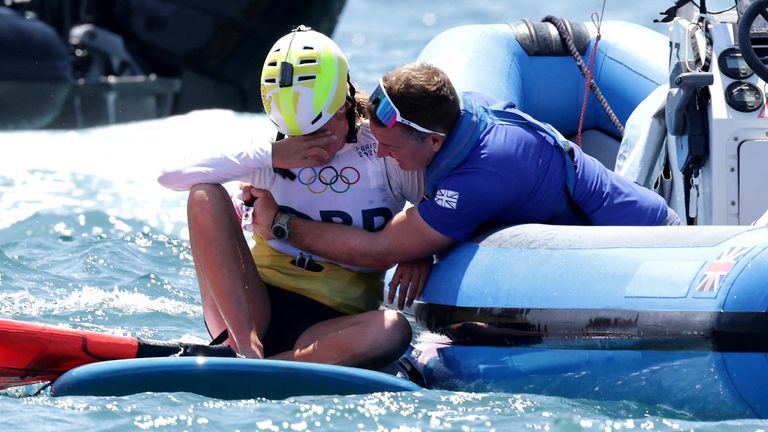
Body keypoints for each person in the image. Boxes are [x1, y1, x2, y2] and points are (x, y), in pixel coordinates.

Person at [158, 27, 428, 369]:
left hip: (334, 324)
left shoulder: (382, 153)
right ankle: (244, 349)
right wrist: (273, 154)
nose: (311, 144)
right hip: (253, 310)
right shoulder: (273, 153)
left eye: (321, 130)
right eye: (300, 134)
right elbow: (169, 175)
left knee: (393, 329)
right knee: (204, 195)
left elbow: (443, 207)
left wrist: (421, 251)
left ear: (344, 104)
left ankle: (261, 368)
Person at [246, 62, 682, 272]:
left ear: (433, 141)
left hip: (653, 249)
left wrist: (281, 224)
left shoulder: (481, 174)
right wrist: (418, 246)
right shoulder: (462, 113)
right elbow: (412, 235)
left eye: (391, 146)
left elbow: (379, 252)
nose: (380, 155)